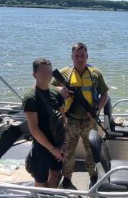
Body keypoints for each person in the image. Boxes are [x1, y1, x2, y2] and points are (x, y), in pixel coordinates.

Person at [52, 42, 109, 189]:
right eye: (76, 56)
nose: (80, 59)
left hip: (90, 120)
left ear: (87, 56)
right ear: (72, 57)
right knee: (69, 151)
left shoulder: (96, 73)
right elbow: (49, 86)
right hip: (70, 120)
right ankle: (66, 178)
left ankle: (93, 177)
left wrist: (97, 109)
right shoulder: (64, 73)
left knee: (91, 152)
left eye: (83, 55)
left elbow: (105, 94)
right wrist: (60, 89)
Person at [23, 58, 66, 188]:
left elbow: (64, 119)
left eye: (49, 72)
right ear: (34, 75)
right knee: (40, 180)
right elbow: (34, 129)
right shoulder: (30, 97)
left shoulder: (56, 93)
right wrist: (52, 150)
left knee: (55, 174)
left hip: (58, 143)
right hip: (42, 147)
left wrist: (64, 143)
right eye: (43, 73)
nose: (47, 75)